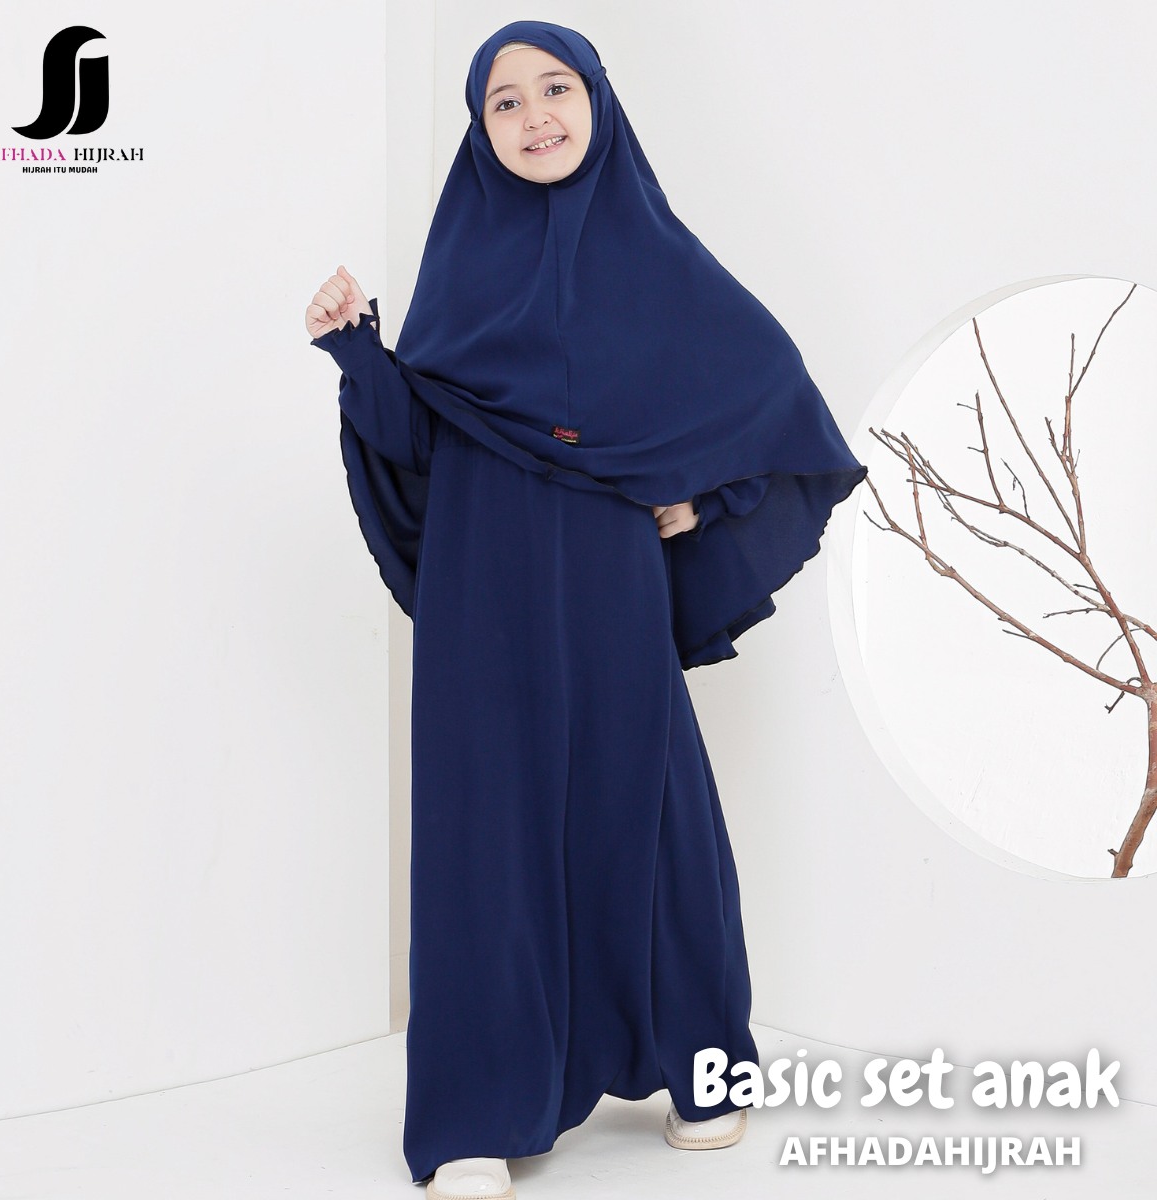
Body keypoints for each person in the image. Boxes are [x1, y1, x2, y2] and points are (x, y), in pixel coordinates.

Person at [305, 22, 864, 1200]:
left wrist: (704, 496)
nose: (534, 116)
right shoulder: (461, 270)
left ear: (599, 101)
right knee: (482, 828)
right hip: (481, 584)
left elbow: (771, 405)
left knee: (648, 807)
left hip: (610, 581)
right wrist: (358, 353)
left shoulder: (662, 266)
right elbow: (419, 446)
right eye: (503, 102)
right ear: (480, 131)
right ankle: (478, 1112)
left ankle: (703, 1067)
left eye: (554, 88)